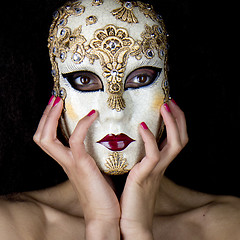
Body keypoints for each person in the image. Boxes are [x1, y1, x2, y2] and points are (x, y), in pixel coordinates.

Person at [0, 0, 239, 239]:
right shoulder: (9, 224)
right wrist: (101, 223)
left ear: (167, 86)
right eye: (85, 80)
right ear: (55, 91)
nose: (116, 111)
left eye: (141, 79)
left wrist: (137, 230)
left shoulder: (230, 224)